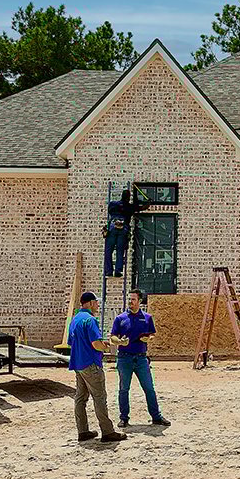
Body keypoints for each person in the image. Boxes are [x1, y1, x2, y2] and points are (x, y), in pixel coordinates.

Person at [67, 291, 128, 442]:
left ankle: (83, 431)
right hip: (91, 364)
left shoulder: (74, 320)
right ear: (89, 303)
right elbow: (95, 344)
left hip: (78, 364)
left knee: (80, 398)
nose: (97, 305)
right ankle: (107, 432)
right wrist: (105, 347)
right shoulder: (90, 320)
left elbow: (71, 342)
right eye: (96, 302)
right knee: (100, 397)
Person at [111, 289, 170, 429]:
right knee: (124, 389)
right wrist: (119, 342)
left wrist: (148, 338)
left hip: (142, 359)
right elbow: (112, 337)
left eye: (133, 299)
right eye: (129, 299)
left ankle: (156, 417)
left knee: (149, 388)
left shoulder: (147, 318)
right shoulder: (120, 318)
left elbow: (152, 334)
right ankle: (124, 418)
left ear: (139, 301)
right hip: (124, 358)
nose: (130, 302)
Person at [104, 188, 144, 278]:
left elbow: (110, 211)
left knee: (108, 250)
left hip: (113, 228)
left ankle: (108, 271)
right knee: (120, 250)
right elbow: (142, 208)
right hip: (123, 229)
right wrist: (148, 202)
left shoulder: (113, 204)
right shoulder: (129, 207)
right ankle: (118, 271)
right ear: (128, 198)